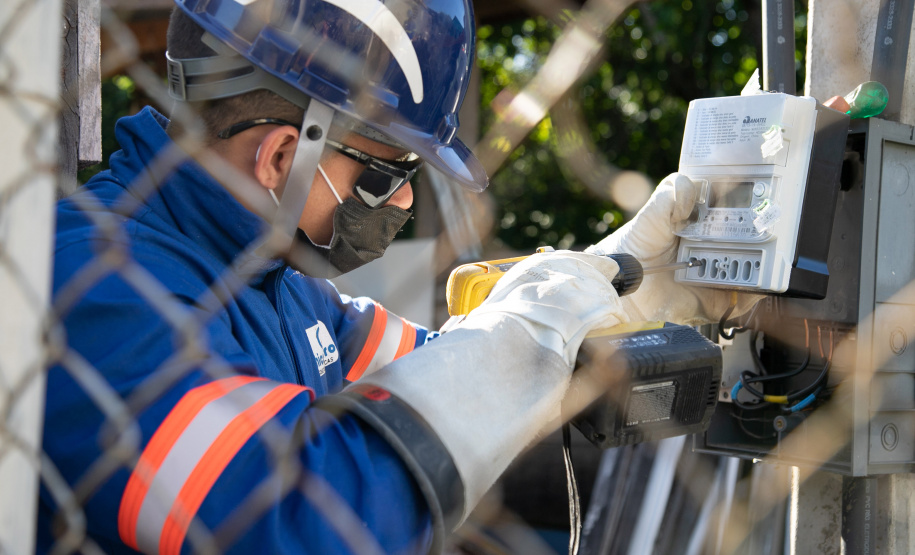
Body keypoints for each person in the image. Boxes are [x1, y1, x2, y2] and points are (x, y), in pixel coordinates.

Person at [39, 1, 759, 554]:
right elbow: (299, 525)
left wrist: (625, 281)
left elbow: (445, 367)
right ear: (282, 156)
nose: (407, 201)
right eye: (390, 173)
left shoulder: (277, 286)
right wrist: (520, 334)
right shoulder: (94, 285)